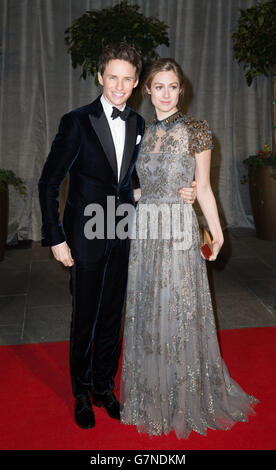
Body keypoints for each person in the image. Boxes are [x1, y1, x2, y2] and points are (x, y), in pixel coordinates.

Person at [38, 44, 197, 430]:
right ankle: (81, 393)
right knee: (85, 316)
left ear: (136, 82)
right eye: (113, 77)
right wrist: (56, 238)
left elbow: (134, 184)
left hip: (124, 233)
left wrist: (182, 190)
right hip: (84, 235)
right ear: (100, 77)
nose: (120, 86)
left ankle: (103, 388)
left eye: (128, 79)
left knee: (112, 316)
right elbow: (49, 182)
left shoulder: (140, 125)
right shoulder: (76, 121)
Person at [120, 58, 258, 439]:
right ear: (146, 90)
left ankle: (184, 393)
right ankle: (152, 390)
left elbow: (205, 188)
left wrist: (217, 232)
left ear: (182, 89)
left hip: (179, 229)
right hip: (146, 229)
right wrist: (115, 197)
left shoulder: (196, 130)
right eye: (158, 86)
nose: (166, 94)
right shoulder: (142, 132)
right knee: (149, 308)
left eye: (173, 86)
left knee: (177, 306)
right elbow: (141, 188)